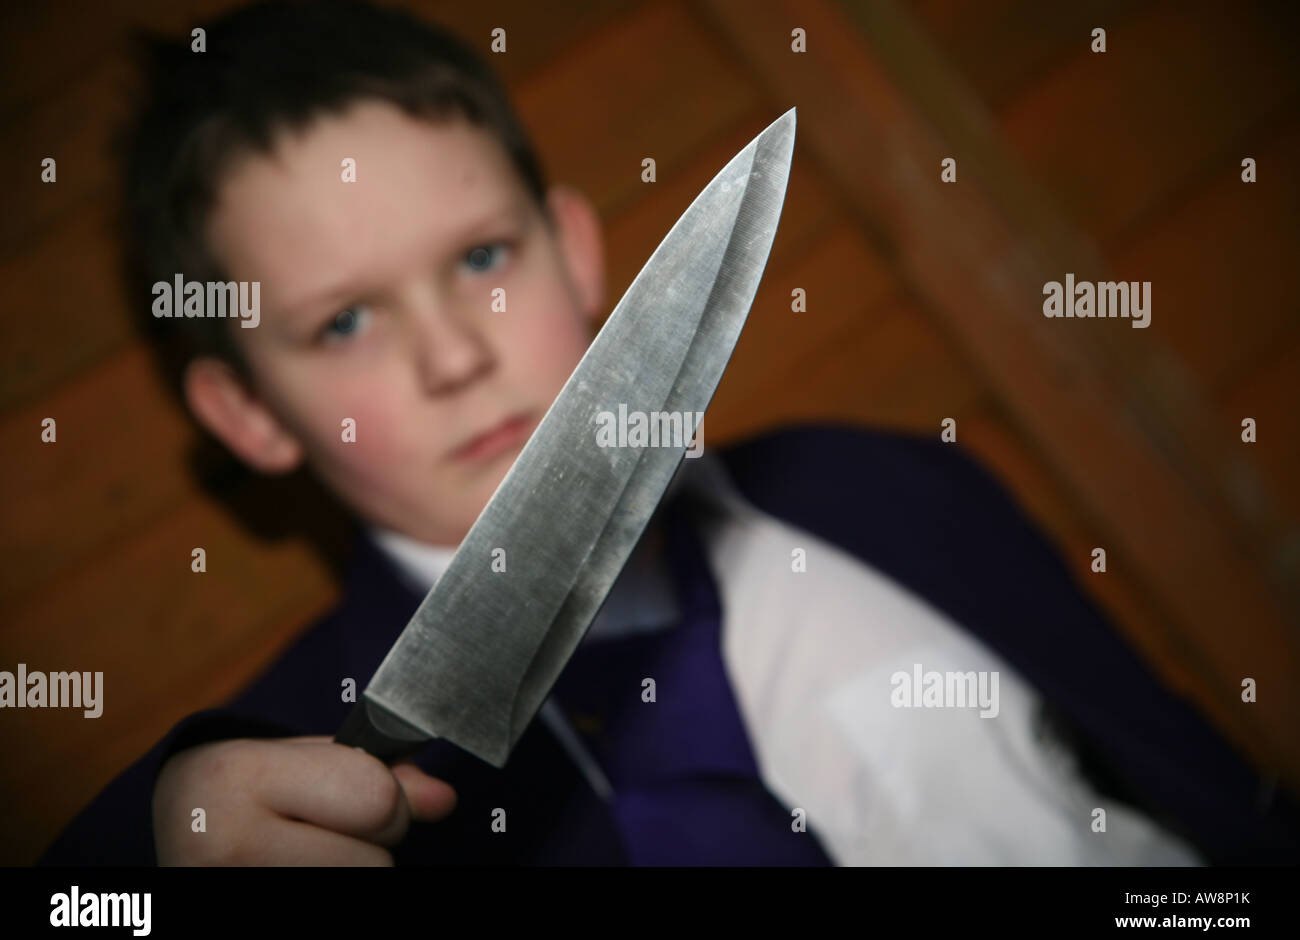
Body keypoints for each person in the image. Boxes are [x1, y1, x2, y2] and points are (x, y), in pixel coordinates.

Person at [38, 0, 1300, 866]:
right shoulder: (280, 795)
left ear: (578, 252)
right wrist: (147, 862)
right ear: (247, 413)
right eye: (343, 321)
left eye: (482, 255)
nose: (453, 354)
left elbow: (1198, 806)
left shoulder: (888, 489)